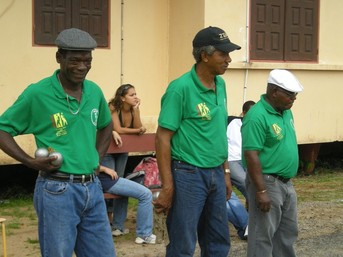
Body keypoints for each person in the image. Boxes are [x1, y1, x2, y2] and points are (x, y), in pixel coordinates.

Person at [0, 28, 116, 256]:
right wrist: (29, 161)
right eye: (75, 60)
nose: (82, 67)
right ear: (59, 58)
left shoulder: (94, 91)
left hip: (92, 187)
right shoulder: (38, 93)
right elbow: (2, 129)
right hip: (57, 190)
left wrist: (97, 157)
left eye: (87, 60)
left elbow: (106, 124)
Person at [154, 26, 241, 257]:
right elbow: (163, 137)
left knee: (218, 241)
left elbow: (218, 131)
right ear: (205, 55)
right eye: (223, 54)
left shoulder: (220, 84)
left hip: (215, 171)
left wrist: (225, 172)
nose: (228, 59)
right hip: (188, 174)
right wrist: (168, 185)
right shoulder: (180, 89)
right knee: (182, 242)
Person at [241, 69, 303, 257]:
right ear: (274, 91)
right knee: (262, 237)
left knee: (287, 234)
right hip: (267, 182)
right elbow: (251, 155)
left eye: (295, 95)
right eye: (290, 95)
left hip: (286, 182)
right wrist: (260, 191)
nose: (294, 99)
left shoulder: (285, 112)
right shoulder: (256, 116)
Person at [101, 84, 146, 237]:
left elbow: (139, 127)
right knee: (111, 183)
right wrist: (137, 130)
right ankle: (107, 220)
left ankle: (118, 226)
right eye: (132, 95)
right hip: (108, 151)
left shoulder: (133, 109)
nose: (135, 97)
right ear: (122, 98)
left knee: (120, 185)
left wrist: (137, 109)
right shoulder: (113, 107)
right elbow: (119, 129)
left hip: (122, 151)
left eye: (136, 94)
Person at [98, 161, 156, 244]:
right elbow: (86, 162)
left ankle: (118, 228)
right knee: (146, 194)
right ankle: (144, 235)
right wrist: (104, 169)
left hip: (106, 179)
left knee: (124, 192)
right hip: (104, 180)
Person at [227, 100, 255, 199]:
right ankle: (255, 207)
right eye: (249, 113)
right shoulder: (231, 122)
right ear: (243, 113)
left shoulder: (255, 126)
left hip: (247, 159)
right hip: (232, 160)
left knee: (255, 184)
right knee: (245, 183)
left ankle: (252, 209)